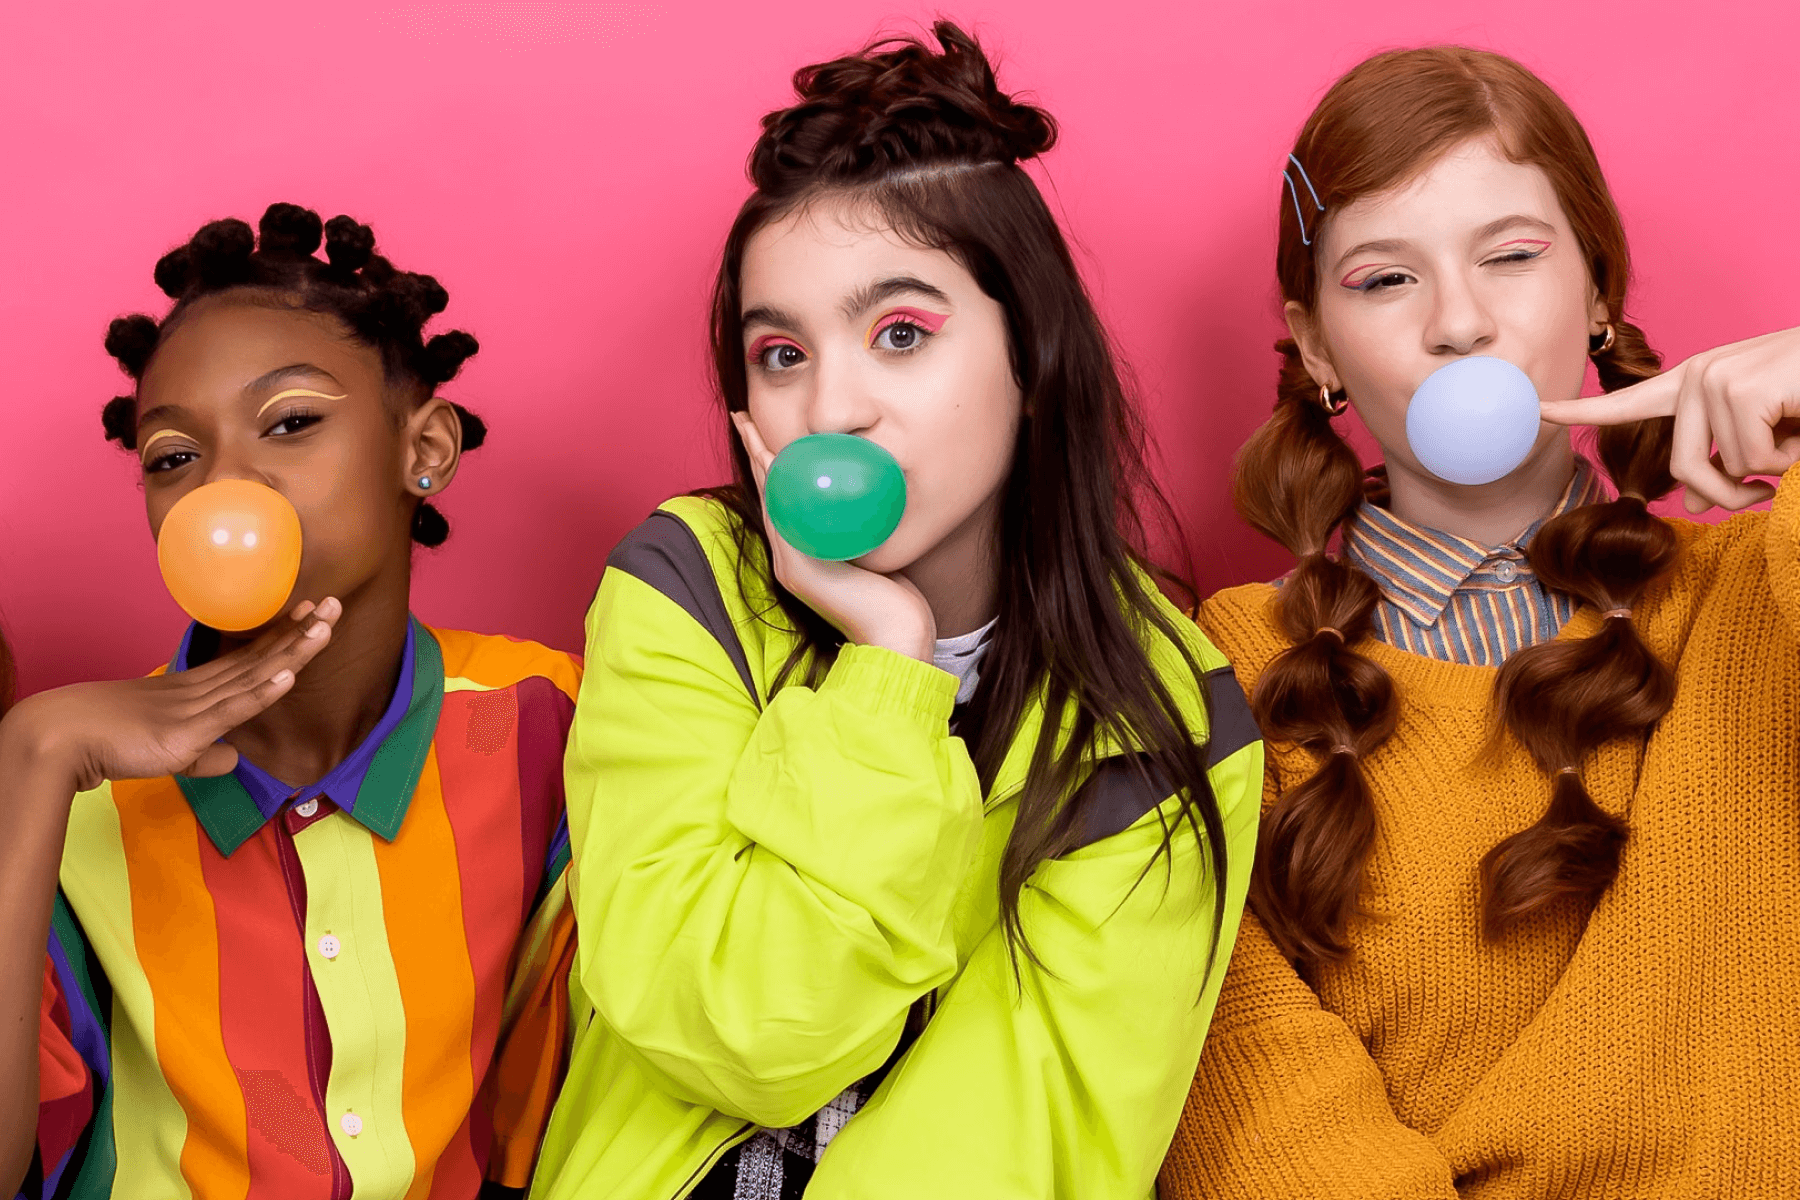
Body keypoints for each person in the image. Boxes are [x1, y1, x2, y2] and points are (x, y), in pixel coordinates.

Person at [530, 23, 1263, 1200]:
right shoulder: (684, 588)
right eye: (780, 355)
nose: (832, 406)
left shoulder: (1168, 710)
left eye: (902, 335)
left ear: (1032, 357)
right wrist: (888, 667)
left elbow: (1031, 1152)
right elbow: (738, 1034)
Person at [1158, 46, 1800, 1199]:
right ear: (1316, 349)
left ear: (1598, 293)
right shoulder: (1221, 661)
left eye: (1511, 257)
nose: (1460, 322)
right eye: (1385, 280)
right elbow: (1244, 1092)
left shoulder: (1762, 585)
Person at [0, 203, 580, 1199]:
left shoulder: (546, 721)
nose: (228, 486)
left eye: (293, 423)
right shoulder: (67, 785)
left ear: (424, 448)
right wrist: (30, 756)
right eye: (174, 456)